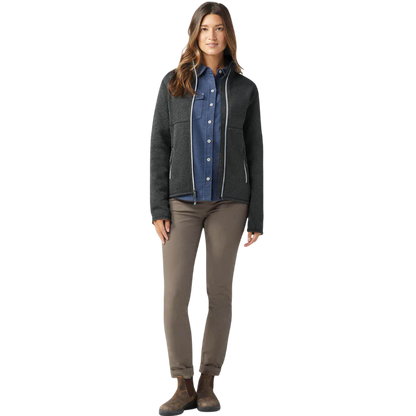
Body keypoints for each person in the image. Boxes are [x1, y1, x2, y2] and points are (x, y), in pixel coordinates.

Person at [147, 1, 266, 414]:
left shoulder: (245, 89)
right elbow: (158, 146)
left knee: (218, 293)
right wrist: (157, 208)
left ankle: (209, 382)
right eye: (205, 29)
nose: (212, 36)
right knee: (175, 292)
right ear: (194, 34)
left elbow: (256, 155)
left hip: (230, 203)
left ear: (229, 35)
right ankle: (181, 381)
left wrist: (257, 216)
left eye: (218, 28)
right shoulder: (172, 83)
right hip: (181, 203)